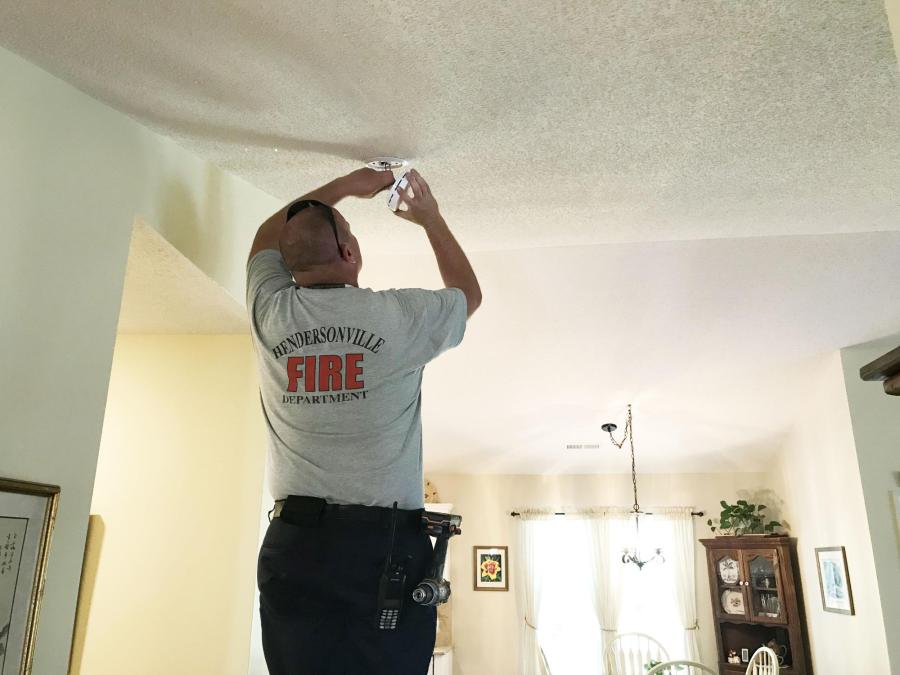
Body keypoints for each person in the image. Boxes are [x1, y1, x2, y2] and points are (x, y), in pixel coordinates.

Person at [245, 167, 481, 675]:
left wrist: (344, 187)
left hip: (296, 543)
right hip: (382, 547)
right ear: (351, 254)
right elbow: (468, 294)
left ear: (285, 264)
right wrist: (429, 218)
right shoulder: (395, 317)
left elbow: (269, 231)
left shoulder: (270, 310)